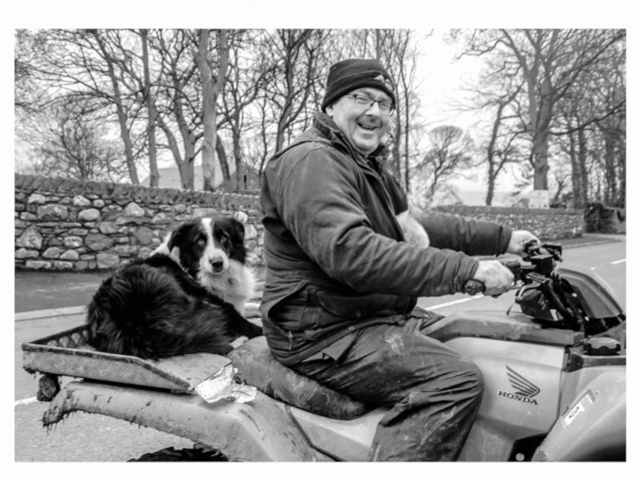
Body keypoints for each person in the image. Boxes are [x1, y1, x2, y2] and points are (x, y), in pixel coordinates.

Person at [259, 58, 538, 461]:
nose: (374, 112)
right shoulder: (312, 162)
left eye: (384, 103)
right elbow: (352, 254)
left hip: (362, 314)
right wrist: (466, 271)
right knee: (455, 381)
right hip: (322, 332)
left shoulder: (365, 165)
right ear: (331, 107)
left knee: (478, 337)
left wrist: (506, 238)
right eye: (361, 98)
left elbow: (416, 224)